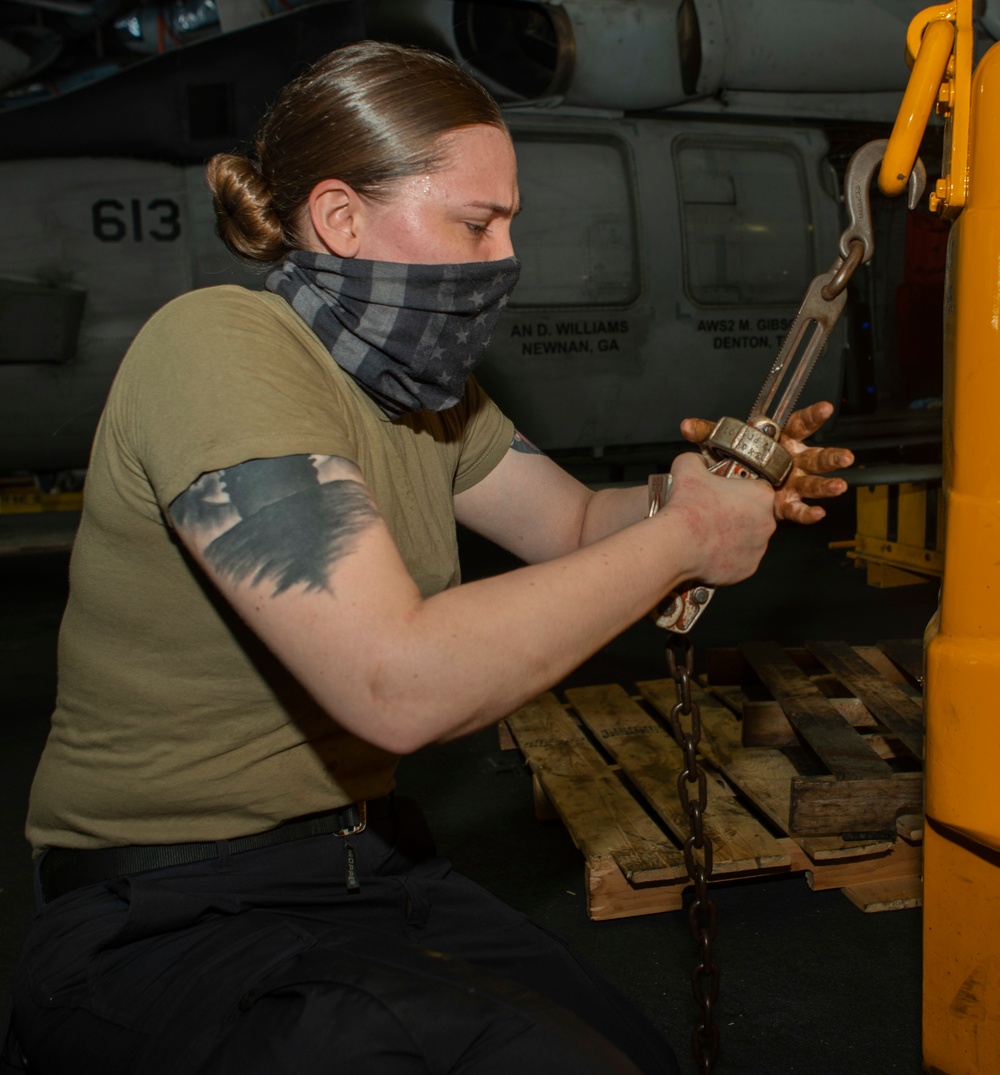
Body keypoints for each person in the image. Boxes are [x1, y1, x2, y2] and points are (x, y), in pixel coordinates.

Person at [4, 40, 852, 1075]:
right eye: (474, 221)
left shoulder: (425, 394)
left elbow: (580, 525)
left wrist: (709, 489)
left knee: (626, 1054)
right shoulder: (221, 346)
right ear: (341, 218)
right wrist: (685, 538)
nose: (503, 258)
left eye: (509, 224)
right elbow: (395, 684)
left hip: (363, 866)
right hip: (167, 915)